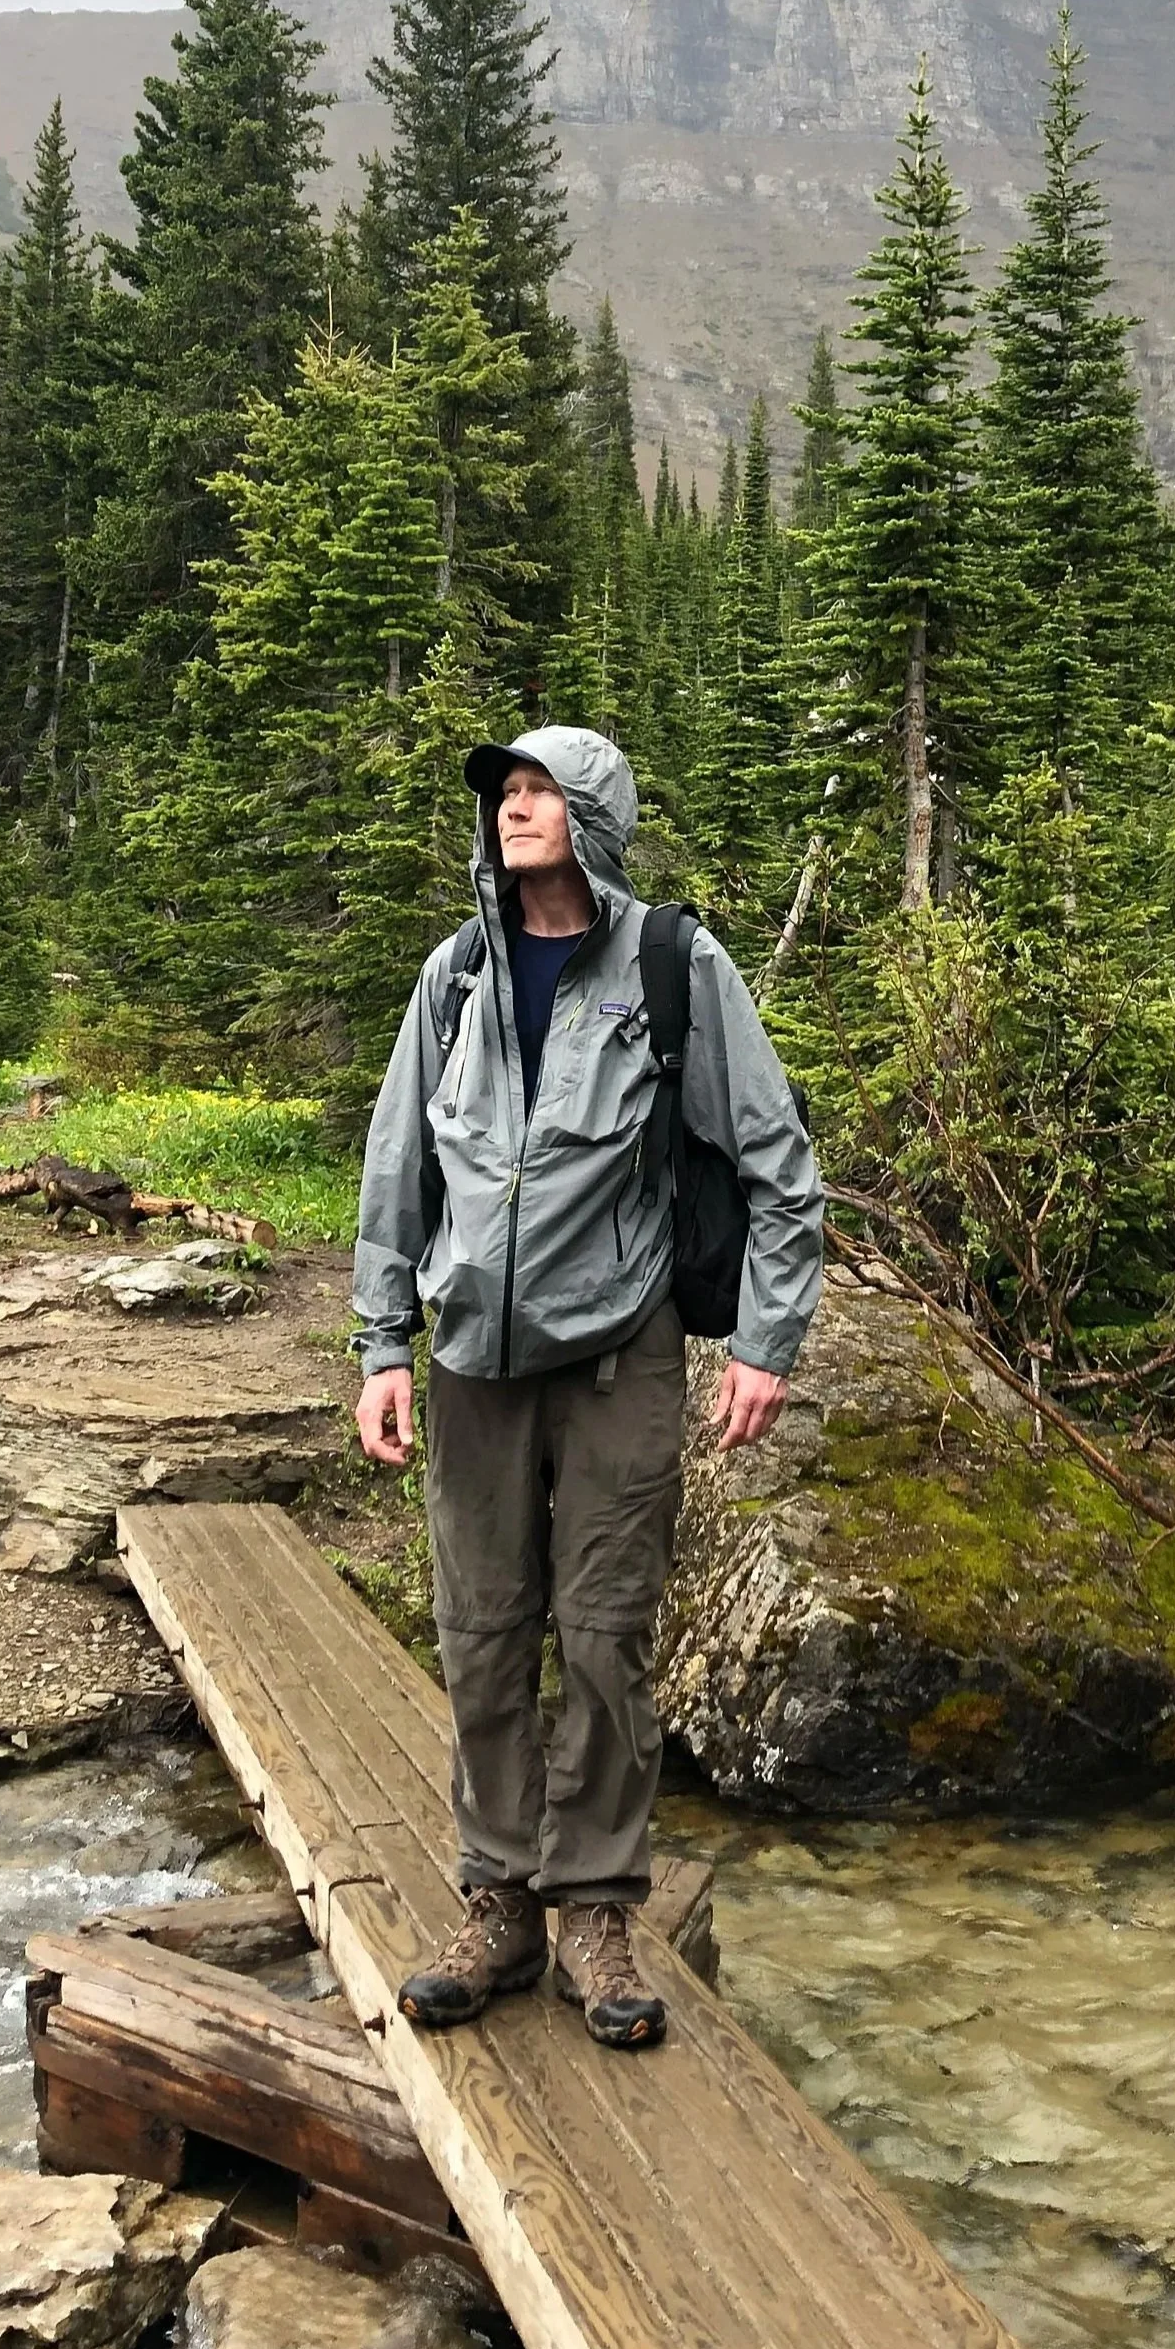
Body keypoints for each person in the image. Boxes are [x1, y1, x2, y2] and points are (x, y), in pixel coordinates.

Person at [353, 724, 822, 2051]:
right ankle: (499, 1894)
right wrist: (383, 1344)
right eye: (503, 791)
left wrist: (766, 1339)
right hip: (471, 1362)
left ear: (598, 812)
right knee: (484, 1632)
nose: (514, 806)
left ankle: (598, 1906)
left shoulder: (674, 966)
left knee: (606, 1633)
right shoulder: (455, 976)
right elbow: (398, 1173)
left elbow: (781, 1163)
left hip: (622, 1350)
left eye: (539, 787)